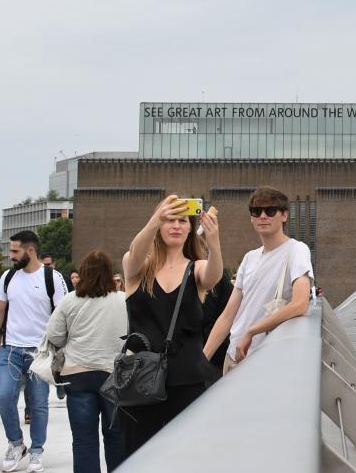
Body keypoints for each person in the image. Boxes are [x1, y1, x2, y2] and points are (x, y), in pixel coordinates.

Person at [120, 195, 223, 456]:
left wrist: (214, 241)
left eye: (182, 221)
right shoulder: (138, 268)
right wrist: (156, 218)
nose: (176, 226)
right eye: (169, 220)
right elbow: (133, 255)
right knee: (140, 453)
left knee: (187, 454)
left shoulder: (195, 268)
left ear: (190, 228)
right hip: (142, 380)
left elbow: (212, 277)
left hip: (188, 377)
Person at [203, 187, 312, 372]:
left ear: (284, 216)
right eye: (256, 211)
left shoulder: (296, 250)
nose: (263, 216)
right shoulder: (249, 257)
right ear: (251, 218)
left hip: (265, 360)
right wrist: (203, 358)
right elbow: (228, 315)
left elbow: (300, 304)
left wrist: (252, 330)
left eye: (270, 211)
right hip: (234, 357)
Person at [42, 251, 127, 473]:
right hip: (114, 375)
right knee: (117, 436)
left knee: (83, 440)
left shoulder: (69, 300)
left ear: (83, 273)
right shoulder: (123, 300)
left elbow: (54, 335)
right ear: (110, 273)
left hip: (77, 374)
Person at [0, 231, 68, 473]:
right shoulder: (7, 277)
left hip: (40, 352)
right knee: (4, 397)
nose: (11, 255)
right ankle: (16, 444)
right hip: (11, 349)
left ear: (30, 250)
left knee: (38, 405)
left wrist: (62, 352)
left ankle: (36, 451)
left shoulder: (52, 278)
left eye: (15, 251)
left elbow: (63, 314)